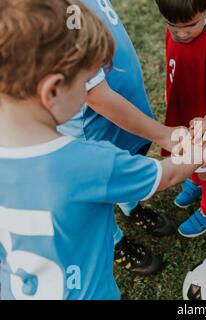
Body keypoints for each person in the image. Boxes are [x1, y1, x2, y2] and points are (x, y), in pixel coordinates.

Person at [0, 0, 203, 299]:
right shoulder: (88, 162)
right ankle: (116, 240)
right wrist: (204, 150)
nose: (89, 89)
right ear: (53, 90)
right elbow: (168, 176)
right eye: (86, 82)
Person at [59, 0, 179, 275]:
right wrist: (164, 135)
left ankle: (131, 206)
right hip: (94, 129)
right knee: (100, 193)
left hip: (126, 106)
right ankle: (113, 241)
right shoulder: (52, 13)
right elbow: (96, 96)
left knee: (130, 159)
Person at [155, 0, 206, 238]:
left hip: (204, 126)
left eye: (190, 25)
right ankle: (195, 181)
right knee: (184, 155)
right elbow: (173, 62)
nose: (181, 33)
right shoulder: (173, 32)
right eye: (172, 25)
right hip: (181, 115)